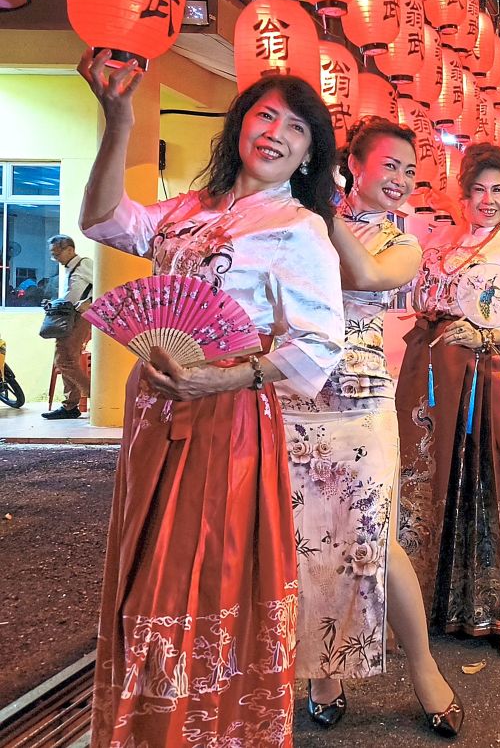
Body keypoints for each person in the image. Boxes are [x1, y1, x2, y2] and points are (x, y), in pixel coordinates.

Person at [77, 52, 346, 747]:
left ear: (309, 156)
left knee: (200, 567)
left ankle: (203, 725)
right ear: (240, 123)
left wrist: (225, 378)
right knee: (145, 565)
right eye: (265, 114)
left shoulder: (300, 229)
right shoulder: (187, 211)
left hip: (227, 416)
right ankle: (141, 721)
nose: (276, 133)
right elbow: (104, 220)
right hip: (155, 412)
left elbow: (317, 346)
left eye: (297, 129)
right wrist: (118, 119)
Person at [277, 117, 461, 736]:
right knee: (302, 542)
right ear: (353, 164)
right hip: (289, 396)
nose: (402, 179)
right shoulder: (292, 222)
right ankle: (322, 671)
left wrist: (322, 212)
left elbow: (365, 278)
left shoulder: (400, 241)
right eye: (390, 165)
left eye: (410, 171)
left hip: (359, 403)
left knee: (374, 539)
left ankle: (424, 667)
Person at [394, 142, 500, 659]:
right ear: (463, 198)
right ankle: (420, 600)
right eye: (478, 190)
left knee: (489, 473)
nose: (487, 200)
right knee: (426, 475)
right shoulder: (439, 242)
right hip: (429, 372)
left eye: (497, 191)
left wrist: (486, 332)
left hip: (481, 372)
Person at [42, 234, 94, 419]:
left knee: (64, 361)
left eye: (56, 253)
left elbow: (105, 284)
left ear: (70, 250)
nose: (54, 257)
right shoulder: (68, 269)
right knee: (66, 358)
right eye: (52, 254)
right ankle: (70, 405)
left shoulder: (85, 264)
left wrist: (90, 301)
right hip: (67, 317)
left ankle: (95, 397)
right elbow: (71, 293)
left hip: (79, 317)